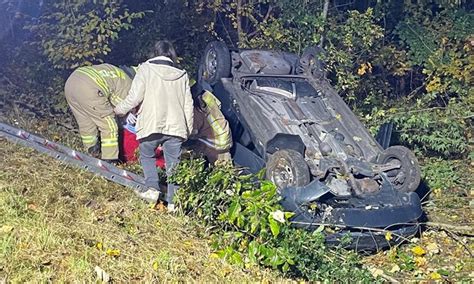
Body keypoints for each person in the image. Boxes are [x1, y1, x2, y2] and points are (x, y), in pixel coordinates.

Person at [114, 40, 193, 207]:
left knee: (147, 155)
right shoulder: (182, 74)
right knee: (174, 166)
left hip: (151, 124)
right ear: (172, 54)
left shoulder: (145, 69)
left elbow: (134, 98)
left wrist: (119, 110)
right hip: (176, 127)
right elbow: (188, 105)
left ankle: (152, 189)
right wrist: (187, 130)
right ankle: (173, 204)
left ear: (154, 53)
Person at [64, 63, 132, 162]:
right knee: (109, 125)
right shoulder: (128, 84)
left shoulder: (116, 72)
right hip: (89, 88)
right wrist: (127, 114)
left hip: (71, 83)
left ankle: (90, 151)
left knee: (86, 123)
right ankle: (110, 160)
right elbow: (120, 107)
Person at [188, 85, 232, 163]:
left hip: (217, 144)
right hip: (218, 139)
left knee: (222, 171)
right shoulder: (205, 96)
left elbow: (192, 131)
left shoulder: (193, 109)